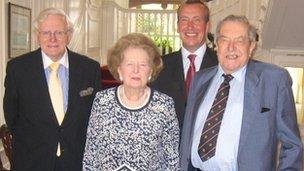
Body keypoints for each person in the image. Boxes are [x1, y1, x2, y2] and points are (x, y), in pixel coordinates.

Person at [180, 14, 303, 171]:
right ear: (216, 44)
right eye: (224, 39)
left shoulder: (273, 80)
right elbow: (187, 134)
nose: (231, 47)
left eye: (239, 40)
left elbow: (292, 145)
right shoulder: (200, 79)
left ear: (251, 46)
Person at [3, 8, 101, 171]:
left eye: (59, 33)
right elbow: (12, 116)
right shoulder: (17, 69)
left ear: (68, 36)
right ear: (37, 36)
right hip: (31, 161)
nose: (52, 39)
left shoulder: (90, 69)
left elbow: (96, 116)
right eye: (46, 32)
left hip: (77, 161)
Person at [82, 33, 180, 170]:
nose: (135, 70)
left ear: (151, 71)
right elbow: (90, 155)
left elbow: (172, 160)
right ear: (119, 69)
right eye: (129, 64)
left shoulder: (164, 105)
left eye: (142, 65)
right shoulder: (102, 101)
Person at [151, 0, 218, 129]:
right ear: (177, 26)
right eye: (184, 20)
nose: (190, 26)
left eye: (197, 20)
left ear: (207, 26)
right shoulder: (159, 66)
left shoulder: (221, 65)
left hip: (206, 147)